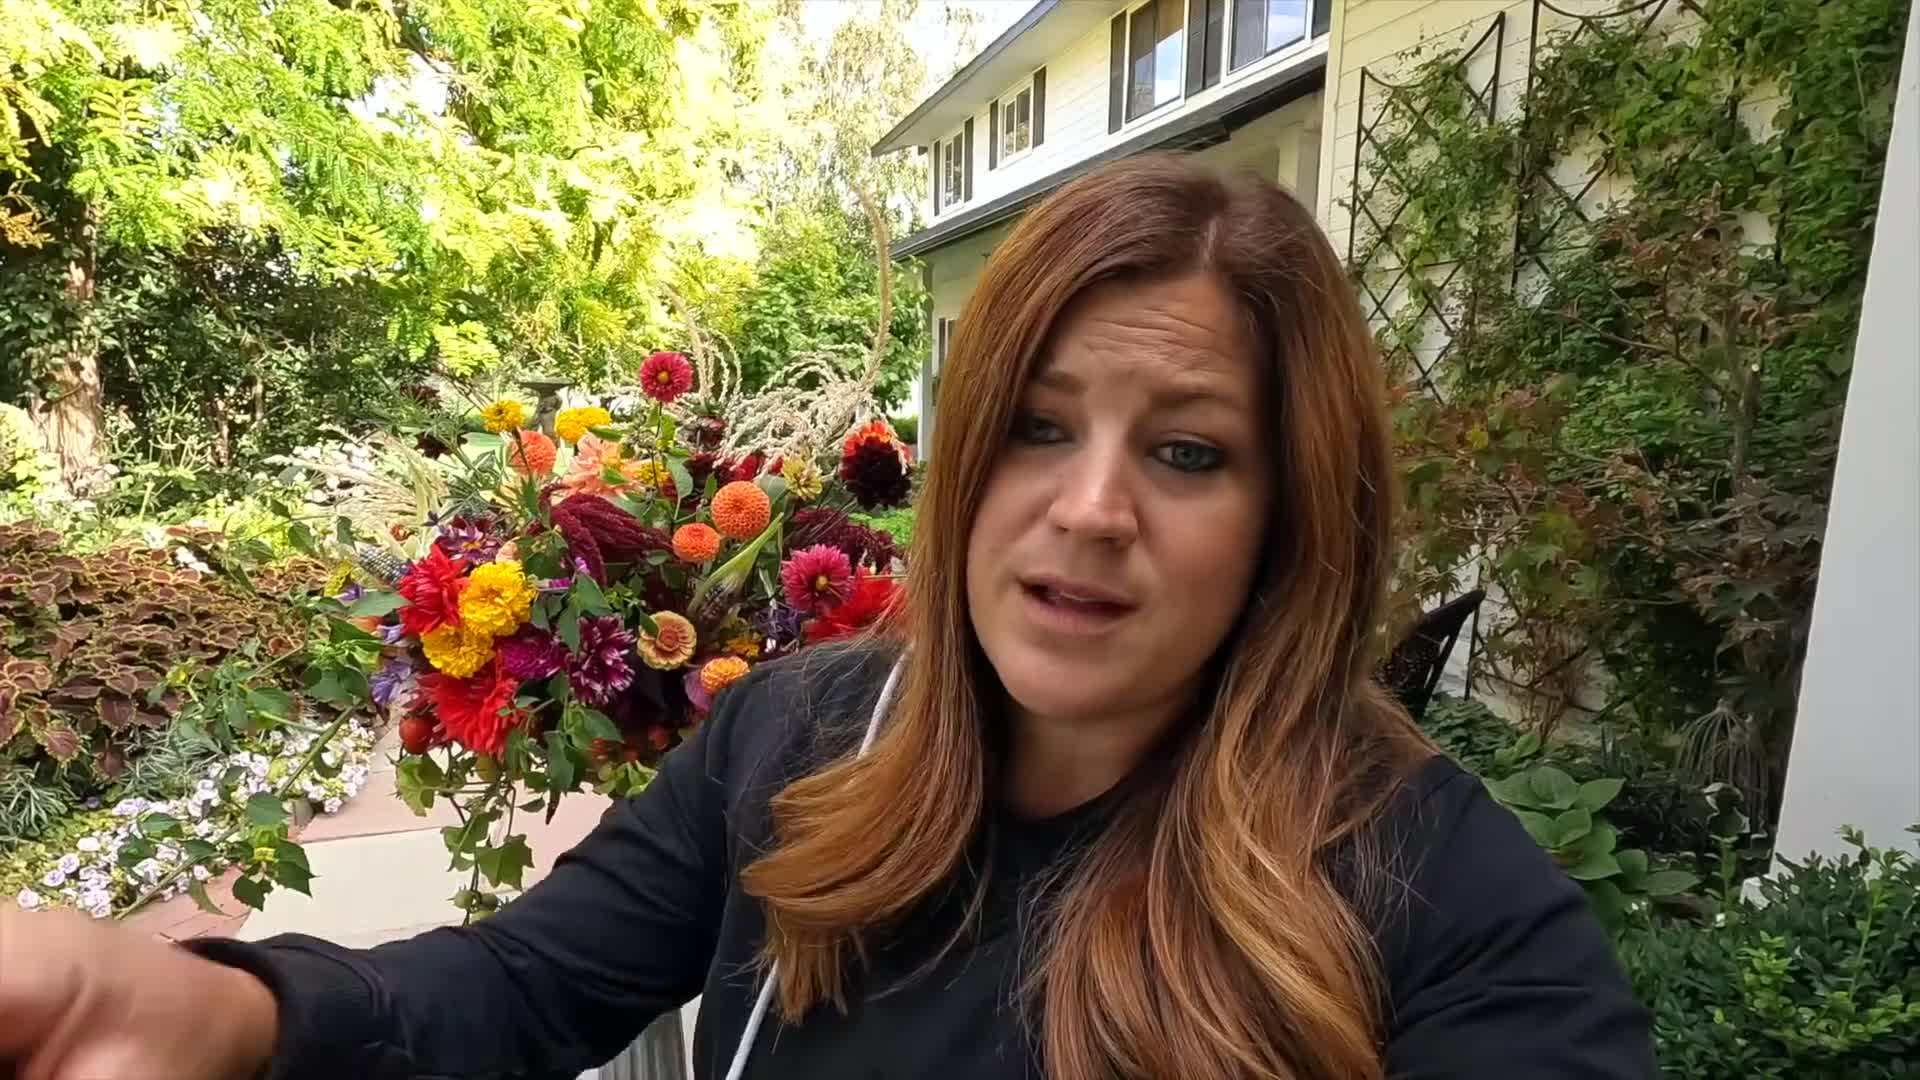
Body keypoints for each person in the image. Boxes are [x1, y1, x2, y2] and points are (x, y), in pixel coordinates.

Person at [0, 155, 1655, 1080]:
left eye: (1188, 452)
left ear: (1291, 513)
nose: (1090, 508)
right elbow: (510, 994)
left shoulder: (1448, 912)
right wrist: (211, 1008)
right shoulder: (802, 733)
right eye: (1036, 423)